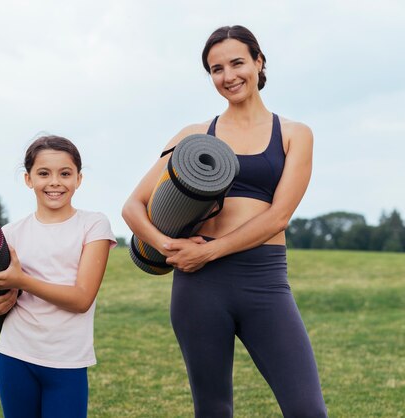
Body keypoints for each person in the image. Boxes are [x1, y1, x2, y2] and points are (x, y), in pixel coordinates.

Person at [122, 25, 328, 417]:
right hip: (198, 288)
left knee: (307, 410)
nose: (228, 76)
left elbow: (279, 216)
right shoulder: (194, 135)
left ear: (259, 62)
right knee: (213, 410)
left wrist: (212, 251)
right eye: (217, 69)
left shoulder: (294, 134)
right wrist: (168, 248)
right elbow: (133, 206)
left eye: (237, 63)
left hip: (263, 282)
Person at [0, 135, 117, 418]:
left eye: (65, 173)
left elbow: (82, 298)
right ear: (28, 179)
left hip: (67, 361)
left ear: (79, 178)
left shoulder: (93, 225)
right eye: (43, 173)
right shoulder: (9, 234)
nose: (55, 182)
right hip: (15, 357)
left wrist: (21, 281)